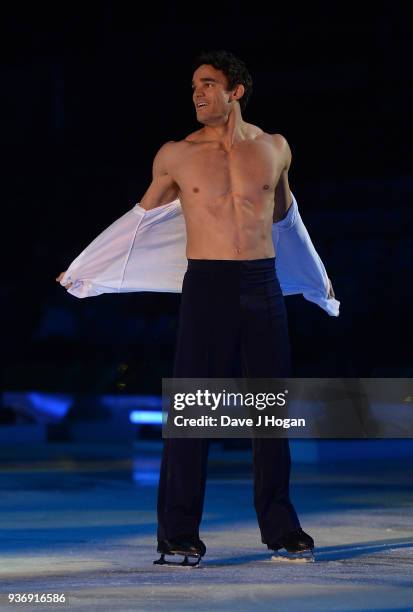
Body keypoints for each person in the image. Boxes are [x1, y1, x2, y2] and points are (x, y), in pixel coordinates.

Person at [58, 49, 335, 565]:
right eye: (193, 87)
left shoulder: (275, 148)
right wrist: (87, 266)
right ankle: (178, 531)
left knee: (269, 414)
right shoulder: (175, 154)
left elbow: (285, 219)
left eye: (207, 84)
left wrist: (315, 276)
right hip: (207, 285)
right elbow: (140, 221)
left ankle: (282, 527)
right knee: (193, 411)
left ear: (236, 91)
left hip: (262, 283)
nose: (197, 94)